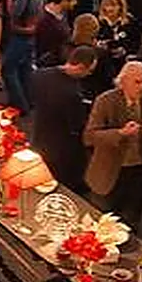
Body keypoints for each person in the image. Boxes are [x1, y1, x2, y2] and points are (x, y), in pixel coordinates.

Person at [83, 61, 142, 229]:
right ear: (122, 81)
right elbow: (90, 136)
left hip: (141, 171)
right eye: (137, 82)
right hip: (109, 171)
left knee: (132, 221)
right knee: (100, 221)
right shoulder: (105, 101)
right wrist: (120, 133)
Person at [30, 47, 99, 195]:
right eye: (90, 71)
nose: (89, 74)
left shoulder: (40, 75)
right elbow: (77, 124)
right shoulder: (72, 93)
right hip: (63, 145)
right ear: (81, 67)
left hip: (40, 133)